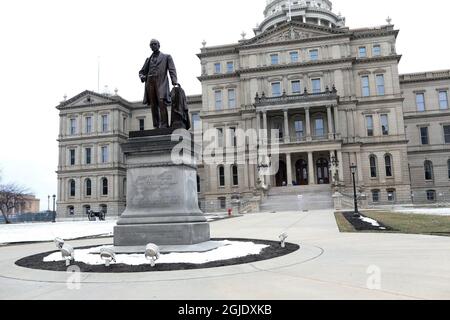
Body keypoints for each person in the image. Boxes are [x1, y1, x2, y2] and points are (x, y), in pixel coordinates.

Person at [139, 39, 178, 128]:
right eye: (151, 45)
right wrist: (142, 77)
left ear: (159, 45)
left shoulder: (166, 57)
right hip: (150, 83)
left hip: (161, 82)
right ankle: (156, 125)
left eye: (155, 44)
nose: (153, 46)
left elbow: (172, 69)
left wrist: (174, 81)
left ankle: (164, 125)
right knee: (153, 104)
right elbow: (141, 72)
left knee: (161, 101)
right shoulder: (148, 60)